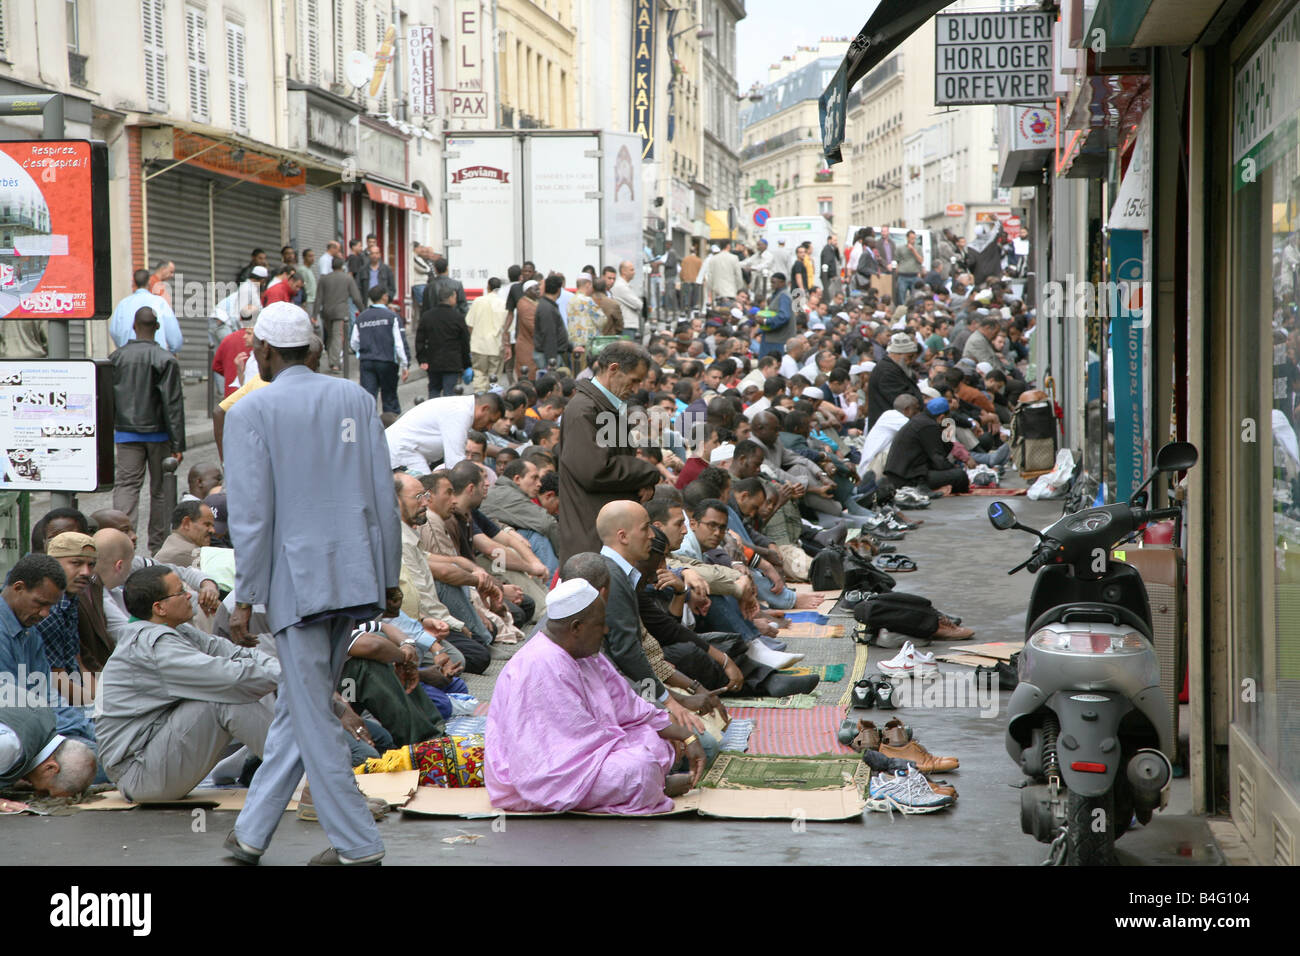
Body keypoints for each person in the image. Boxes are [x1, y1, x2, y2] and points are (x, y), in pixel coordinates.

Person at [224, 301, 403, 866]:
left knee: (311, 713)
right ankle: (249, 836)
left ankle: (358, 846)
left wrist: (245, 595)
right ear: (313, 348)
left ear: (264, 353)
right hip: (355, 574)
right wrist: (389, 574)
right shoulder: (353, 398)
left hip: (295, 585)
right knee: (300, 710)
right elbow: (384, 495)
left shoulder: (251, 411)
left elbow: (252, 516)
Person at [485, 578, 706, 813]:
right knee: (640, 769)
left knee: (655, 742)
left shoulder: (586, 653)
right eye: (600, 624)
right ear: (577, 627)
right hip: (543, 774)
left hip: (592, 750)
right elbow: (567, 748)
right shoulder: (541, 664)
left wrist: (686, 736)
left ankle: (650, 785)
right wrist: (630, 751)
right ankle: (655, 785)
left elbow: (628, 706)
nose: (606, 630)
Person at [95, 567, 278, 803]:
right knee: (221, 698)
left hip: (156, 760)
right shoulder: (154, 647)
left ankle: (304, 766)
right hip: (140, 775)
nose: (190, 594)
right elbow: (231, 677)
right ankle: (306, 768)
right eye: (180, 592)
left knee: (229, 690)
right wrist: (291, 677)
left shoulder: (177, 630)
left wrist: (284, 673)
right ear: (159, 608)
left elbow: (235, 653)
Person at [557, 341, 661, 561]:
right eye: (634, 380)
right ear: (613, 369)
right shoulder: (584, 410)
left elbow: (618, 461)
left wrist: (641, 482)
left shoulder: (605, 406)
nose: (635, 389)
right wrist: (647, 471)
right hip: (590, 541)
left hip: (608, 537)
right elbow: (595, 470)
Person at [110, 307, 186, 554]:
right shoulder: (165, 359)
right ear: (157, 328)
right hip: (160, 434)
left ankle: (122, 544)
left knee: (127, 486)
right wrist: (177, 444)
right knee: (161, 491)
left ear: (133, 327)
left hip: (125, 432)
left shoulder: (116, 358)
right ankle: (159, 548)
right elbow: (172, 404)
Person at [0, 554, 95, 744]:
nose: (45, 614)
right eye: (41, 603)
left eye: (51, 606)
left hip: (41, 728)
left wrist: (88, 730)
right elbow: (15, 709)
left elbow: (48, 696)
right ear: (18, 588)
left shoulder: (31, 633)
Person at [386, 391, 505, 474]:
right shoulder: (460, 413)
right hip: (401, 452)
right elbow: (456, 465)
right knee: (425, 495)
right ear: (484, 409)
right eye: (490, 421)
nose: (489, 427)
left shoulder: (461, 408)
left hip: (406, 452)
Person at [0, 706, 97, 800]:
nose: (37, 791)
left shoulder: (45, 715)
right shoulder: (10, 746)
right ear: (51, 768)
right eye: (45, 792)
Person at [884, 396, 971, 494]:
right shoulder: (929, 426)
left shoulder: (921, 421)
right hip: (908, 479)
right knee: (960, 476)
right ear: (942, 417)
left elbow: (943, 451)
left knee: (955, 473)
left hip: (903, 474)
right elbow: (939, 462)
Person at [350, 286, 409, 415]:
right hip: (387, 361)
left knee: (368, 400)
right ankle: (390, 427)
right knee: (389, 398)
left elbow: (354, 342)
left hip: (367, 361)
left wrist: (360, 354)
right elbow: (399, 344)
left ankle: (368, 430)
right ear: (384, 297)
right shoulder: (392, 316)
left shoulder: (361, 317)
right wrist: (404, 365)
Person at [109, 269, 183, 353]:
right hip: (156, 359)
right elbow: (175, 337)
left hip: (129, 359)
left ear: (134, 283)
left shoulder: (123, 304)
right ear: (149, 282)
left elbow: (114, 331)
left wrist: (124, 349)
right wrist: (170, 353)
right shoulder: (160, 302)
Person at [416, 286, 471, 398]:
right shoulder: (457, 317)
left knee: (434, 391)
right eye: (455, 297)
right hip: (452, 362)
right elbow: (465, 342)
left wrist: (422, 359)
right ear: (451, 298)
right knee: (449, 393)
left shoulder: (427, 316)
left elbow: (420, 339)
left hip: (433, 361)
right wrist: (466, 364)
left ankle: (433, 414)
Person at [312, 261, 366, 372]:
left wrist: (314, 314)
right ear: (342, 266)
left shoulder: (324, 279)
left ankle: (331, 359)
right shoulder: (347, 278)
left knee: (331, 336)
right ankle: (335, 363)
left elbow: (318, 298)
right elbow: (356, 297)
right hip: (340, 312)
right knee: (337, 336)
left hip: (326, 312)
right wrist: (363, 310)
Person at [866, 332, 925, 430]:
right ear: (897, 354)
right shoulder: (887, 372)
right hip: (889, 428)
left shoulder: (895, 368)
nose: (912, 361)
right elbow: (906, 402)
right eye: (909, 357)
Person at [465, 277, 507, 391]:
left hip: (479, 345)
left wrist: (474, 337)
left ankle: (479, 396)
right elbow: (507, 327)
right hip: (496, 345)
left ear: (488, 286)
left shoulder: (478, 301)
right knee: (494, 377)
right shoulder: (503, 304)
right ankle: (492, 400)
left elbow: (469, 324)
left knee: (479, 374)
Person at [153, 500, 215, 567]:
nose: (212, 530)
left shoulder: (174, 545)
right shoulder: (185, 553)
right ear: (186, 523)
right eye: (207, 524)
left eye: (212, 526)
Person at [534, 274, 570, 371]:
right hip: (549, 357)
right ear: (559, 290)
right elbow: (549, 336)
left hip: (553, 354)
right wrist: (551, 362)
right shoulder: (547, 308)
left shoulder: (549, 306)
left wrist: (570, 347)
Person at [611, 260, 644, 338]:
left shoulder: (625, 285)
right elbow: (638, 304)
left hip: (629, 325)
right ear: (623, 271)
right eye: (631, 270)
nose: (634, 272)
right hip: (626, 326)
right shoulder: (621, 287)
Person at [679, 245, 703, 314]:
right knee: (695, 296)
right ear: (696, 251)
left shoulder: (685, 259)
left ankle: (687, 306)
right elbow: (701, 271)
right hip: (696, 280)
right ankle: (694, 308)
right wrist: (702, 280)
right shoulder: (698, 260)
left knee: (687, 295)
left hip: (687, 280)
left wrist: (682, 278)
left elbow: (682, 271)